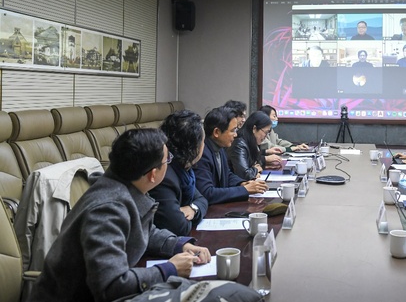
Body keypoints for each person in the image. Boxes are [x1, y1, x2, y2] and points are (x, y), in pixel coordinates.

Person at [29, 128, 211, 302]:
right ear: (152, 174)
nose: (169, 163)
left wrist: (179, 245)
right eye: (167, 160)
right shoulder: (107, 210)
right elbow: (111, 285)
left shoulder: (123, 185)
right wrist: (168, 269)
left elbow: (142, 230)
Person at [149, 110, 208, 235]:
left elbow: (202, 199)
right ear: (194, 147)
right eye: (203, 141)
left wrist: (193, 209)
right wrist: (190, 214)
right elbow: (178, 227)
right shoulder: (164, 175)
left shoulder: (184, 169)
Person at [194, 107, 268, 205]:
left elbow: (227, 175)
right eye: (233, 130)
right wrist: (244, 190)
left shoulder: (220, 148)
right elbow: (207, 193)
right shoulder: (202, 154)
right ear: (216, 132)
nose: (236, 134)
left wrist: (242, 183)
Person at [228, 111, 273, 180]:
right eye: (265, 132)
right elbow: (244, 174)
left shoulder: (252, 142)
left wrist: (254, 170)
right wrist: (255, 170)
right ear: (254, 129)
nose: (266, 136)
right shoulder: (239, 144)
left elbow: (258, 163)